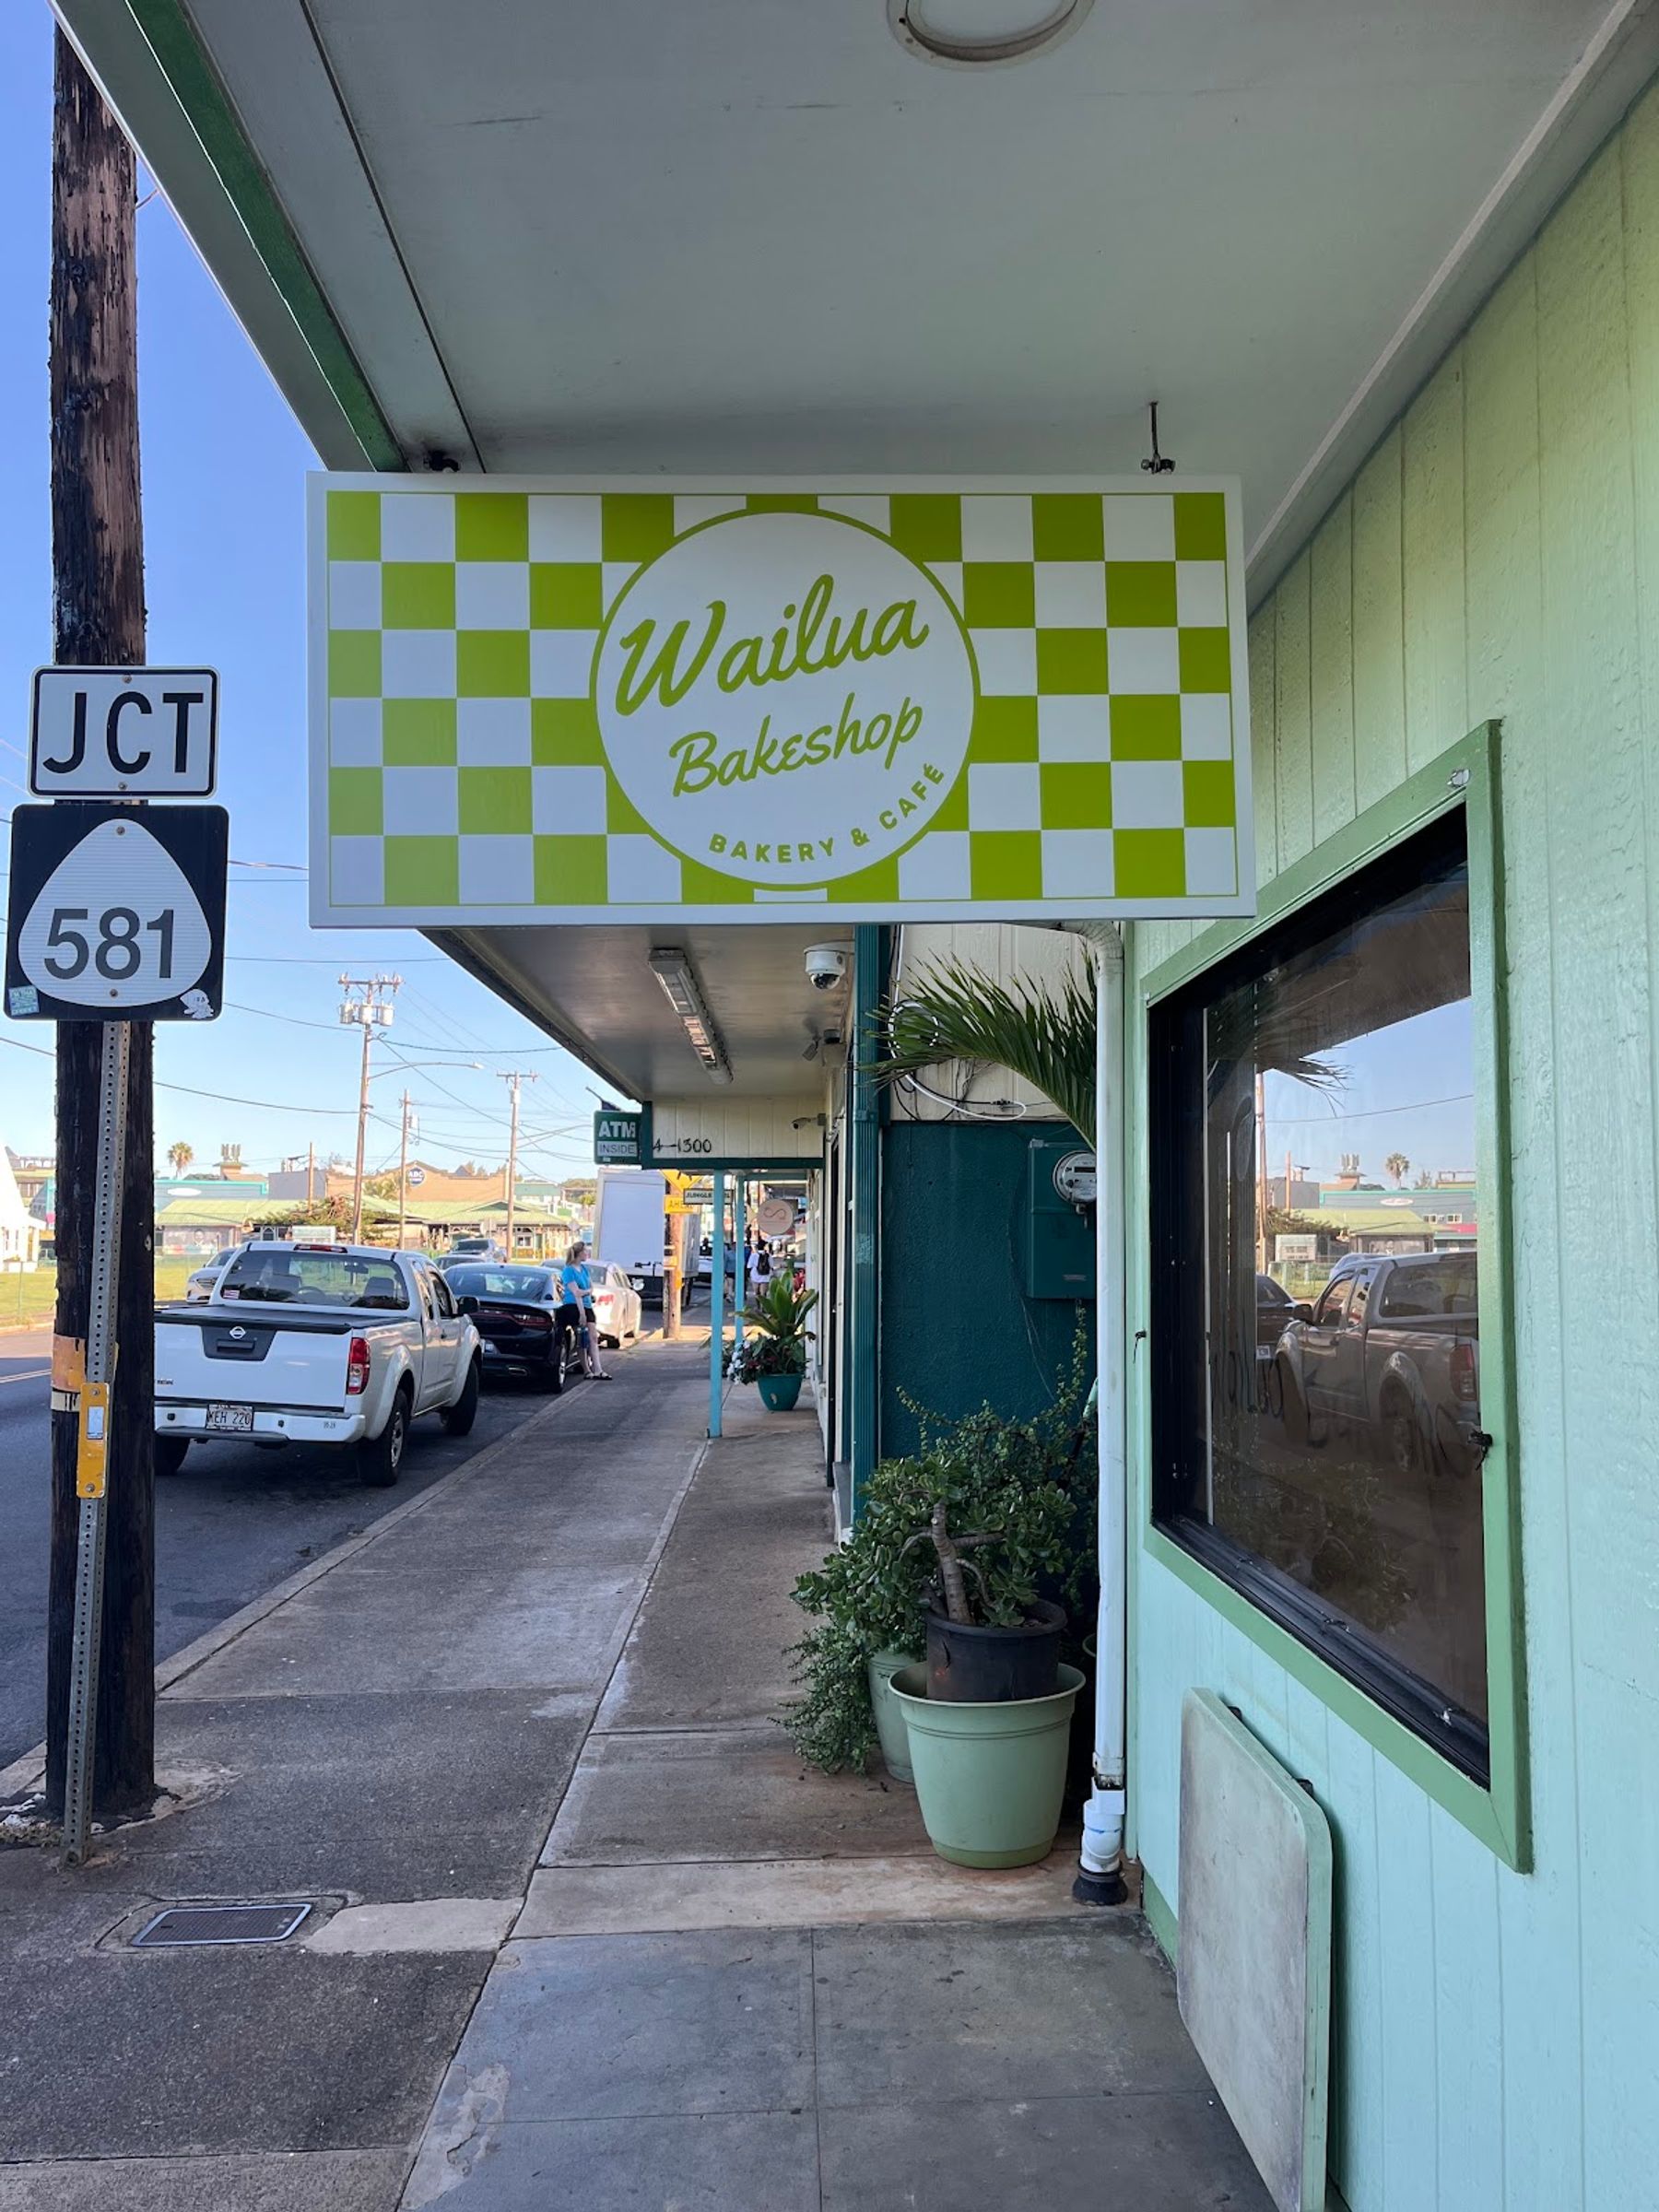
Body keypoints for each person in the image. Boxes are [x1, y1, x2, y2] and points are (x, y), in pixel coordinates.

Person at [560, 1240, 610, 1380]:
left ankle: (598, 1369)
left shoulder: (584, 1269)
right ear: (578, 1253)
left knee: (593, 1337)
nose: (587, 1254)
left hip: (587, 1305)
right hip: (574, 1307)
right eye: (585, 1251)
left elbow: (589, 1288)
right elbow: (576, 1293)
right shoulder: (568, 1271)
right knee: (582, 1338)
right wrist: (582, 1313)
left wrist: (586, 1292)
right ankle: (587, 1370)